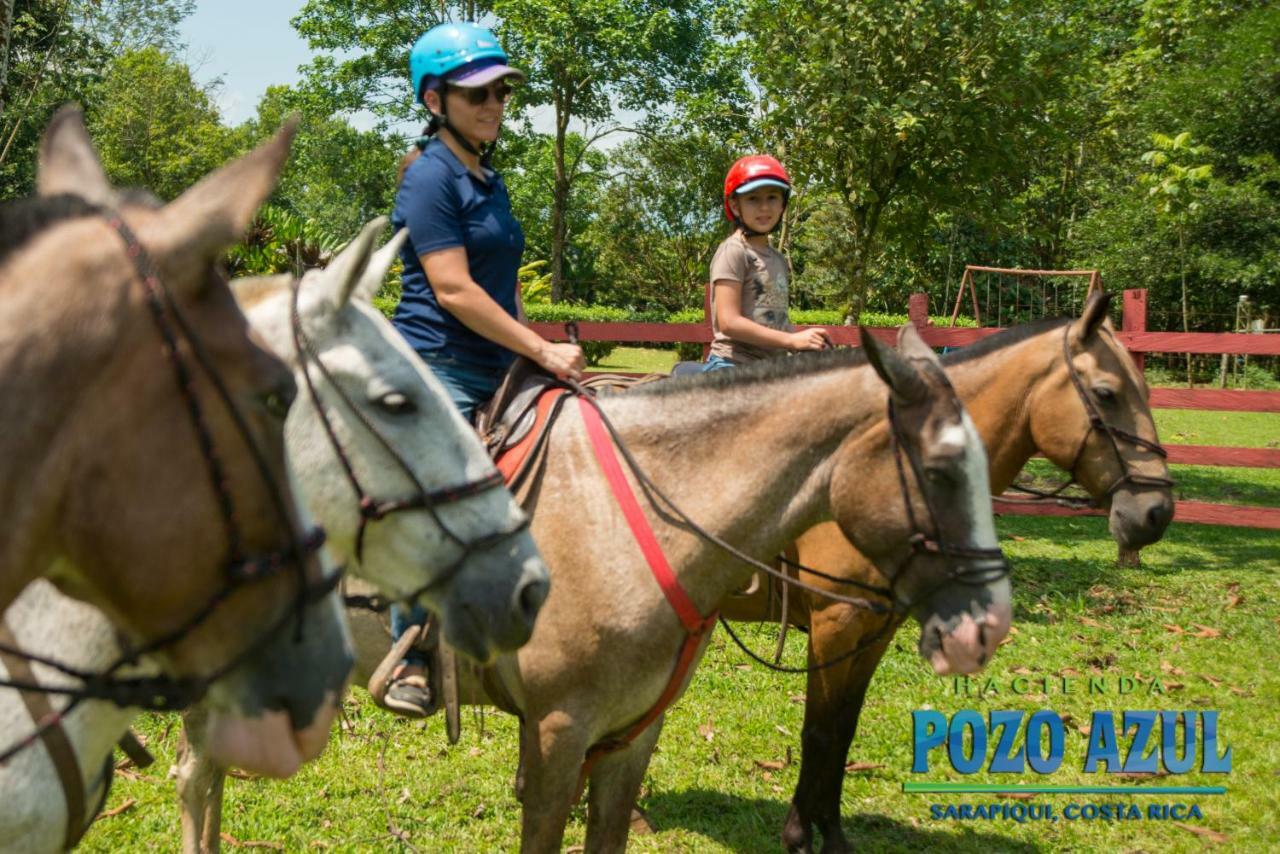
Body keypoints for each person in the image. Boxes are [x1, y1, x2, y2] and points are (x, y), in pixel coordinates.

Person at [383, 22, 584, 718]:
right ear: (434, 101)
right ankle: (409, 649)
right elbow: (455, 290)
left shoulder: (487, 177)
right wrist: (541, 348)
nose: (495, 104)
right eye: (478, 95)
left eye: (500, 92)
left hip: (501, 364)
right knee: (440, 492)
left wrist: (536, 352)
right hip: (437, 363)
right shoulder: (430, 177)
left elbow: (501, 286)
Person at [703, 155, 828, 371]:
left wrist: (803, 341)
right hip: (732, 363)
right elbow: (728, 322)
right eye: (753, 199)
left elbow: (776, 317)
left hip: (773, 366)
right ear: (734, 205)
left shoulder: (778, 258)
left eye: (772, 197)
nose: (764, 207)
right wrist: (791, 341)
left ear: (782, 204)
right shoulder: (734, 251)